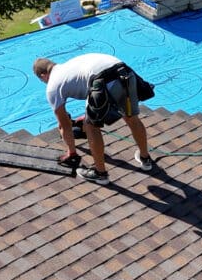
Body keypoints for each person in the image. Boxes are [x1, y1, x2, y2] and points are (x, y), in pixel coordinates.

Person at [33, 53, 153, 184]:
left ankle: (100, 174)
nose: (44, 83)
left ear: (43, 75)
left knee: (91, 127)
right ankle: (145, 159)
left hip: (102, 80)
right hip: (124, 71)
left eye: (42, 80)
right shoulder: (71, 65)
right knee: (131, 118)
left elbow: (64, 125)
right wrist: (87, 116)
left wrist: (71, 152)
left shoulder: (53, 87)